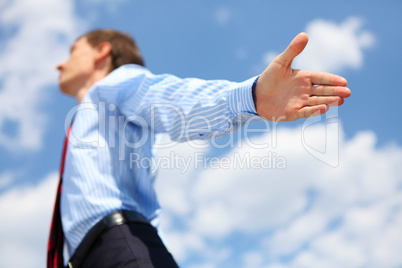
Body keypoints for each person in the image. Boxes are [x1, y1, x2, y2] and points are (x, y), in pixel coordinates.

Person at [49, 29, 351, 268]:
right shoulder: (92, 118)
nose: (60, 63)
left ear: (102, 51)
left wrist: (251, 97)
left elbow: (167, 98)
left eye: (72, 51)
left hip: (119, 249)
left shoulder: (115, 84)